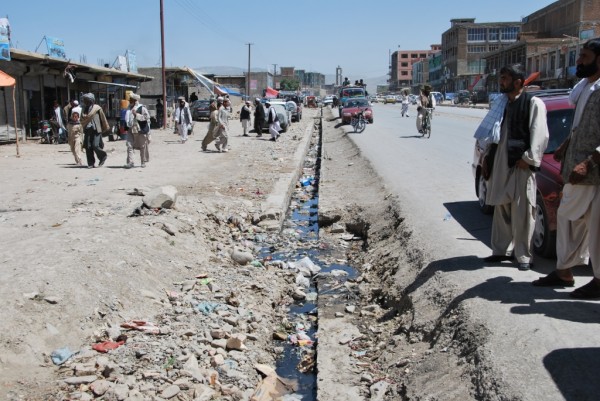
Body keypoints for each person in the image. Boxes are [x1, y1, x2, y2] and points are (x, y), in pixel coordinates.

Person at [532, 38, 600, 298]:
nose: (579, 60)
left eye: (584, 56)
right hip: (578, 168)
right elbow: (583, 125)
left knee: (594, 227)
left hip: (592, 171)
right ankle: (564, 270)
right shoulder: (585, 87)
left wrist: (588, 162)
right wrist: (566, 146)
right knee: (569, 219)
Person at [481, 64, 549, 271]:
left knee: (522, 210)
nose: (501, 82)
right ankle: (500, 250)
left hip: (521, 164)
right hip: (501, 161)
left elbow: (540, 134)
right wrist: (487, 158)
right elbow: (492, 134)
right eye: (501, 78)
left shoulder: (533, 103)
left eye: (505, 78)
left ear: (518, 82)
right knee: (501, 206)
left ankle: (523, 256)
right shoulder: (502, 103)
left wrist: (528, 159)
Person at [80, 93, 109, 169]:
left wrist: (104, 128)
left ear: (91, 100)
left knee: (95, 145)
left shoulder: (97, 108)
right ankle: (90, 163)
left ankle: (103, 156)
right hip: (87, 129)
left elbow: (103, 118)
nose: (85, 102)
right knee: (88, 146)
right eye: (84, 100)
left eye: (86, 100)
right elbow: (82, 119)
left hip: (96, 129)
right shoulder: (84, 109)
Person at [124, 93, 151, 168]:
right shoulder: (128, 108)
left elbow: (147, 117)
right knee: (129, 145)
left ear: (135, 100)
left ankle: (143, 162)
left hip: (139, 130)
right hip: (130, 129)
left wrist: (136, 114)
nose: (129, 100)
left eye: (131, 99)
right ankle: (130, 162)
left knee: (142, 146)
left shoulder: (141, 108)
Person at [64, 99, 83, 165]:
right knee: (73, 150)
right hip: (71, 138)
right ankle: (77, 160)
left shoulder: (79, 124)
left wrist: (81, 139)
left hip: (77, 137)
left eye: (76, 117)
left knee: (77, 149)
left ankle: (80, 160)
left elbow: (81, 132)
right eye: (74, 117)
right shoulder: (69, 124)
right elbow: (68, 131)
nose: (75, 118)